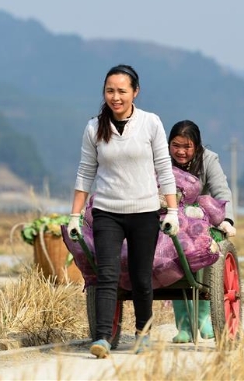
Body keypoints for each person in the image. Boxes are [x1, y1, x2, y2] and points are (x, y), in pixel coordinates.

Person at [67, 64, 179, 359]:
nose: (115, 97)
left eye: (121, 91)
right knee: (107, 275)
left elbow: (164, 169)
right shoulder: (94, 127)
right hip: (107, 211)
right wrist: (75, 216)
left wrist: (173, 211)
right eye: (109, 91)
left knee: (142, 277)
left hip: (144, 211)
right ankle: (103, 337)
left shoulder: (150, 123)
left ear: (135, 92)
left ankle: (143, 332)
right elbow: (85, 173)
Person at [167, 120, 236, 343]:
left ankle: (205, 318)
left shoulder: (208, 159)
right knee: (172, 259)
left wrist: (225, 219)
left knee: (205, 257)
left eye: (187, 147)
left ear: (196, 146)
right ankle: (184, 326)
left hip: (201, 219)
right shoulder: (161, 159)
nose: (180, 151)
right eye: (176, 145)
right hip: (170, 219)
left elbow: (221, 190)